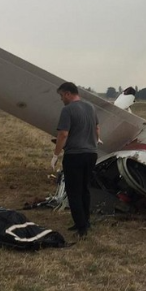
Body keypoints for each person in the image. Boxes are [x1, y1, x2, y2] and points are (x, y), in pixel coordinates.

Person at [52, 82, 100, 238]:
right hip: (91, 154)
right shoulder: (91, 107)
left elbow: (63, 134)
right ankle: (85, 222)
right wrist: (92, 142)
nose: (61, 99)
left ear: (67, 94)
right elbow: (97, 129)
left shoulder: (67, 110)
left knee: (74, 192)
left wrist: (55, 154)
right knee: (85, 189)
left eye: (61, 96)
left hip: (74, 155)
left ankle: (81, 228)